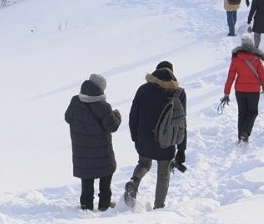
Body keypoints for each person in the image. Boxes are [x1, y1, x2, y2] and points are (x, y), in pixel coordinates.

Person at [124, 61, 187, 210]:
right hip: (167, 140)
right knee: (163, 174)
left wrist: (135, 136)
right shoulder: (178, 93)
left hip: (144, 138)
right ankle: (159, 206)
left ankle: (134, 181)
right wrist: (181, 149)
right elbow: (182, 123)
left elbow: (133, 115)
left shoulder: (143, 90)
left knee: (144, 164)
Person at [64, 74, 122, 211]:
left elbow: (68, 118)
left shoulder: (75, 101)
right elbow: (112, 126)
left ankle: (86, 206)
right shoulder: (104, 106)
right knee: (105, 178)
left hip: (81, 152)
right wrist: (117, 115)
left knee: (87, 180)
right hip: (102, 151)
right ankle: (104, 205)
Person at [222, 34, 264, 143]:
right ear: (252, 45)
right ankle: (246, 132)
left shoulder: (236, 58)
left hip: (240, 90)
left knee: (242, 113)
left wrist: (226, 92)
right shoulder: (257, 59)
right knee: (252, 112)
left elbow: (231, 76)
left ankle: (240, 135)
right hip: (253, 91)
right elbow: (263, 76)